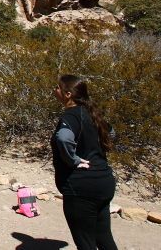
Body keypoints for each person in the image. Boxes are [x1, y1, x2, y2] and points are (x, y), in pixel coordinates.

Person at [51, 74, 118, 250]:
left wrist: (73, 160)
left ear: (67, 94)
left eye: (57, 87)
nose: (54, 90)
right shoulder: (93, 113)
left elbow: (63, 138)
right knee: (104, 238)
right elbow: (111, 133)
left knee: (85, 243)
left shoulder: (71, 116)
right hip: (104, 182)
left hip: (81, 188)